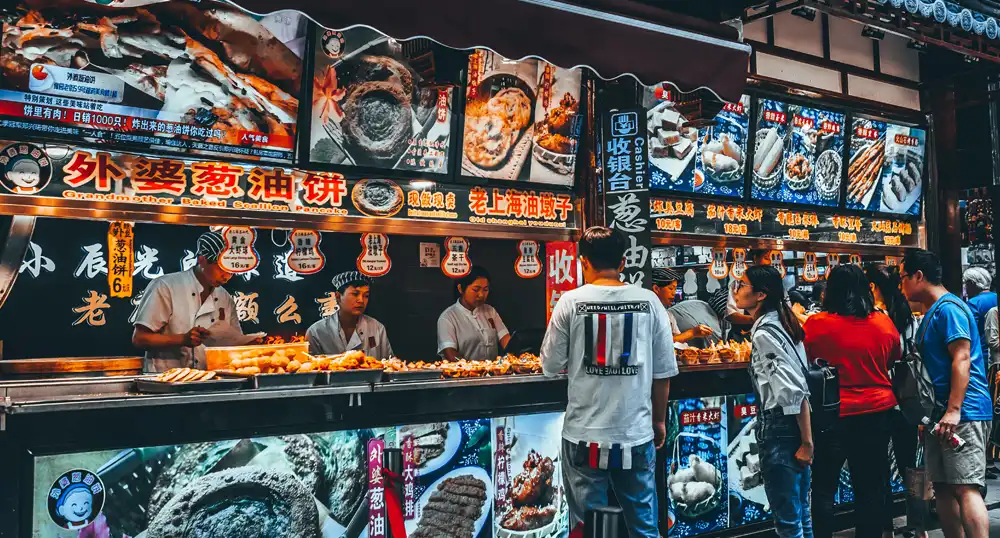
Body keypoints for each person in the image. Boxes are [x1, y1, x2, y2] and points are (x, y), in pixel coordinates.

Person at [540, 227, 677, 537]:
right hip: (636, 433)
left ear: (583, 262)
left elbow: (550, 365)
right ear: (623, 261)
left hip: (584, 437)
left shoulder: (570, 302)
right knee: (644, 526)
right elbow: (662, 372)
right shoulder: (649, 302)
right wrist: (659, 421)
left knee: (592, 529)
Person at [900, 249, 992, 538]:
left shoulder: (950, 309)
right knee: (941, 486)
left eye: (903, 277)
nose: (901, 285)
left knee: (965, 486)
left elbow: (961, 358)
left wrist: (954, 409)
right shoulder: (933, 311)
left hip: (964, 410)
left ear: (918, 275)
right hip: (939, 413)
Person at [804, 264, 900, 538]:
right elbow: (894, 357)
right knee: (870, 486)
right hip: (876, 413)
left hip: (831, 416)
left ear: (830, 291)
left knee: (823, 486)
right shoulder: (883, 322)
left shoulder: (815, 325)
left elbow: (807, 362)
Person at [732, 265, 813, 538]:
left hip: (781, 429)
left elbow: (793, 391)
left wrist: (807, 443)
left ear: (761, 294)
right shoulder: (785, 323)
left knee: (789, 521)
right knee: (801, 514)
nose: (737, 290)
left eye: (742, 285)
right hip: (792, 429)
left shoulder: (765, 333)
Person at [866, 264, 926, 538]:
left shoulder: (875, 317)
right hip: (907, 398)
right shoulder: (907, 316)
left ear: (874, 288)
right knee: (908, 465)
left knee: (879, 467)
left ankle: (886, 528)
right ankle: (917, 526)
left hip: (881, 399)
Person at [132, 231, 245, 372]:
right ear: (202, 260)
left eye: (231, 270)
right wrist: (183, 339)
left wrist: (248, 342)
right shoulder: (166, 286)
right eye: (222, 268)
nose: (227, 276)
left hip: (211, 380)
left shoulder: (225, 297)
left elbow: (234, 343)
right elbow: (140, 338)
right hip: (165, 380)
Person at [306, 271, 393, 359]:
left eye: (366, 295)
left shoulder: (376, 327)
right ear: (338, 297)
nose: (361, 300)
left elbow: (389, 362)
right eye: (355, 294)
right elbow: (310, 368)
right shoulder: (316, 331)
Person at [437, 266, 510, 362]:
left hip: (492, 373)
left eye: (485, 290)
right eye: (476, 290)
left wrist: (514, 356)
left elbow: (506, 339)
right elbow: (450, 353)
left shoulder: (490, 311)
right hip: (462, 374)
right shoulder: (448, 317)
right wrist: (472, 367)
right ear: (460, 288)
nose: (481, 295)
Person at [651, 268, 712, 345]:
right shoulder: (647, 315)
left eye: (675, 289)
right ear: (656, 289)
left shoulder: (668, 315)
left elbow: (677, 339)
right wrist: (692, 332)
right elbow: (659, 343)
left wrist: (694, 333)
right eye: (670, 288)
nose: (674, 293)